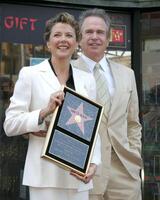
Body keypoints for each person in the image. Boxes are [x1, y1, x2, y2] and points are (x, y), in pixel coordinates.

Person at [4, 12, 101, 200]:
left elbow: (94, 128)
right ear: (48, 43)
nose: (63, 40)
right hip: (44, 177)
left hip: (78, 176)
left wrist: (94, 163)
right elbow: (10, 124)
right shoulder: (30, 74)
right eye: (57, 35)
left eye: (69, 35)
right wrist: (44, 112)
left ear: (76, 43)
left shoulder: (87, 79)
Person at [72, 8, 143, 200]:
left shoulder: (127, 74)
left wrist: (135, 156)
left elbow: (133, 123)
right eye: (88, 32)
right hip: (85, 171)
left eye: (100, 32)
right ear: (79, 37)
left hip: (125, 170)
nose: (95, 37)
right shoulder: (67, 73)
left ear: (108, 37)